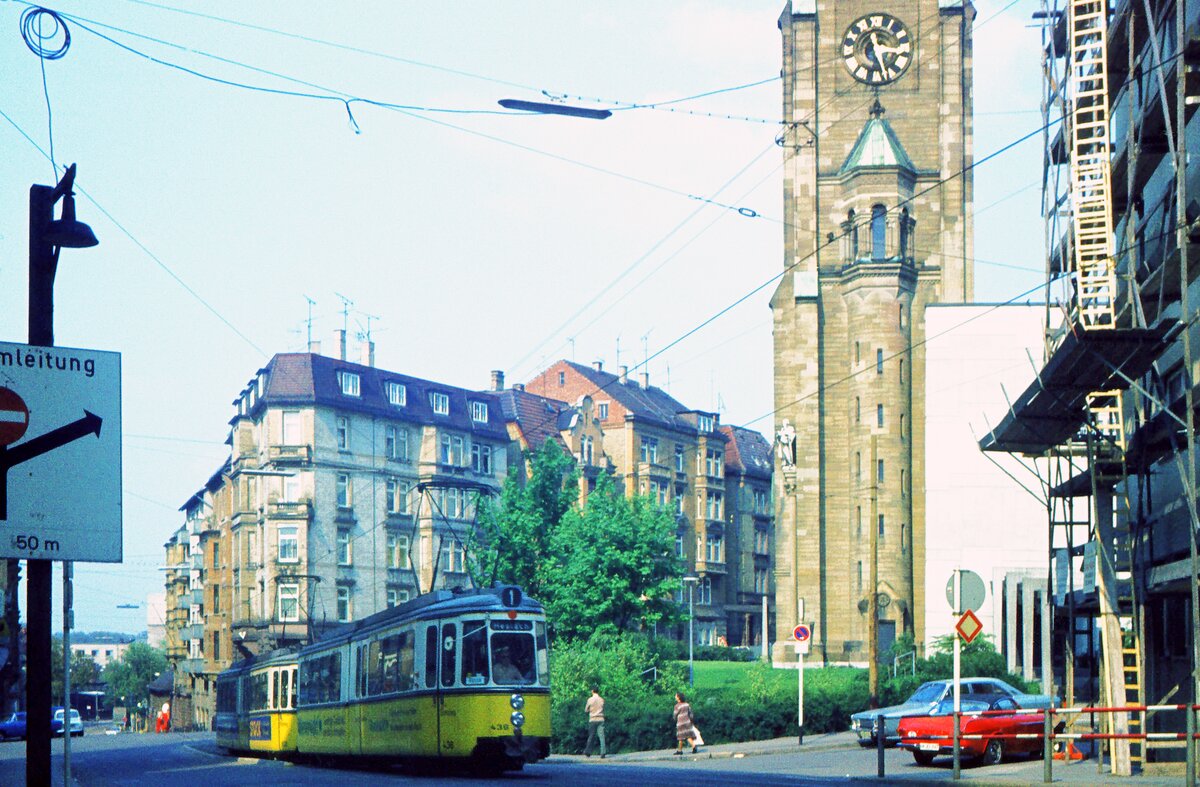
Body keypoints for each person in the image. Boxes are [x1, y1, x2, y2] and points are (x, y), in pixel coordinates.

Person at [583, 686, 606, 758]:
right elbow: (603, 708)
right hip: (601, 719)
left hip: (593, 719)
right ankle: (603, 752)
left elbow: (586, 710)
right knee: (601, 737)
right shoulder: (602, 699)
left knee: (591, 736)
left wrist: (591, 710)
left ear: (592, 691)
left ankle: (588, 752)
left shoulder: (590, 700)